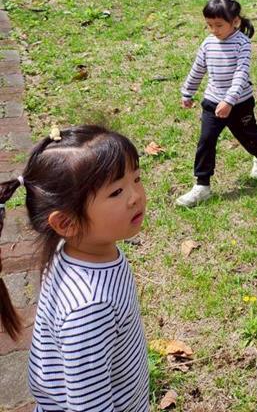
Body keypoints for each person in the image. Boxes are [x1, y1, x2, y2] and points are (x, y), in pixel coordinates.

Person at [0, 125, 149, 412]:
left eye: (137, 178)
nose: (135, 196)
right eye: (117, 191)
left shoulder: (71, 249)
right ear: (66, 223)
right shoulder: (90, 309)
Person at [177, 0, 257, 207]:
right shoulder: (208, 43)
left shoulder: (242, 43)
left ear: (235, 22)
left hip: (239, 104)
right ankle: (202, 185)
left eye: (219, 25)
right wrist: (187, 92)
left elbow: (241, 74)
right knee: (206, 141)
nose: (214, 30)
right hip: (212, 101)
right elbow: (198, 69)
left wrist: (229, 101)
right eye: (209, 25)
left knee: (249, 137)